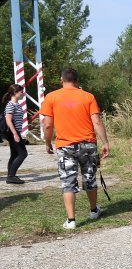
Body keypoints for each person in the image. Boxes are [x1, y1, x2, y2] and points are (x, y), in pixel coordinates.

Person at [40, 68, 110, 230]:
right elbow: (97, 122)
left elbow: (48, 124)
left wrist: (47, 142)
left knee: (68, 182)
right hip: (88, 145)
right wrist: (105, 142)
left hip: (65, 146)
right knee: (89, 178)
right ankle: (93, 210)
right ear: (77, 81)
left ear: (61, 80)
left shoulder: (51, 97)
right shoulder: (88, 97)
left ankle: (71, 220)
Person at [3, 84, 28, 184]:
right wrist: (15, 134)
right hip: (12, 132)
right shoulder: (11, 104)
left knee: (14, 154)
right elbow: (8, 120)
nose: (23, 94)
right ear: (14, 93)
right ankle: (11, 176)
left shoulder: (16, 104)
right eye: (21, 92)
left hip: (15, 132)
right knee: (23, 154)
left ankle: (10, 175)